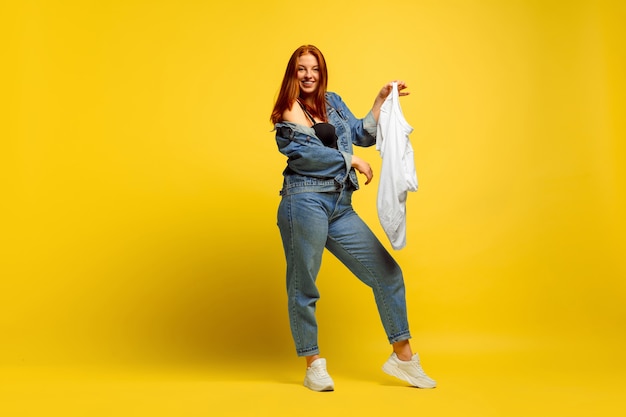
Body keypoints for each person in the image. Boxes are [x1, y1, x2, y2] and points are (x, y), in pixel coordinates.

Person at [270, 45, 436, 392]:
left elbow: (361, 132)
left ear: (322, 71)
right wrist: (351, 161)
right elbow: (304, 155)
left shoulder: (333, 101)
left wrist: (379, 103)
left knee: (388, 273)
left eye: (314, 69)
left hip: (339, 205)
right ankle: (313, 363)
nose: (309, 75)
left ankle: (402, 360)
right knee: (305, 286)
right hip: (304, 200)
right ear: (293, 73)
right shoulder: (288, 110)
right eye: (302, 69)